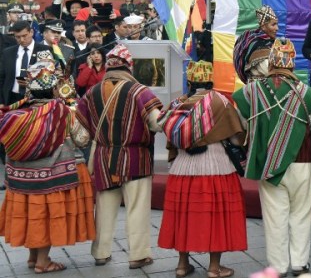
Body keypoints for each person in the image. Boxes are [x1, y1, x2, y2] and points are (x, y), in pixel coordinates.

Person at [233, 38, 311, 277]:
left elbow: (242, 126)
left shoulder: (249, 92)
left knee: (274, 217)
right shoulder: (308, 94)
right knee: (301, 214)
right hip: (300, 161)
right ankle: (300, 264)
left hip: (267, 164)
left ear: (270, 62)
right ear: (292, 64)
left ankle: (278, 266)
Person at [0, 59, 95, 273]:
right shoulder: (62, 112)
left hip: (21, 177)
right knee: (46, 216)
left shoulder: (16, 115)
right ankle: (43, 262)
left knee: (32, 215)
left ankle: (34, 257)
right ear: (54, 88)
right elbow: (82, 139)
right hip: (53, 175)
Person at [75, 44, 163, 269]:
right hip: (135, 157)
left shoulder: (91, 93)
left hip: (104, 158)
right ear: (128, 67)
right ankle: (138, 255)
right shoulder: (140, 91)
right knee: (137, 207)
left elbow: (81, 133)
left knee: (104, 207)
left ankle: (100, 252)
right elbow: (157, 122)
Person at [158, 60, 247, 278]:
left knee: (183, 215)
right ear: (210, 79)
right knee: (216, 216)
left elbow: (170, 136)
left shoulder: (179, 103)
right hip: (216, 166)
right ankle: (214, 268)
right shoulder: (220, 102)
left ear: (190, 80)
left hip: (182, 167)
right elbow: (236, 139)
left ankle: (181, 265)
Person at [0, 20, 52, 105]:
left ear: (31, 32)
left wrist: (31, 83)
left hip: (35, 99)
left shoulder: (44, 50)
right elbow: (1, 78)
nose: (22, 39)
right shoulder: (8, 52)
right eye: (18, 37)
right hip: (11, 99)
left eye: (24, 36)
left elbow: (48, 79)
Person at [233, 5, 278, 84]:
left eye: (276, 24)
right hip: (259, 90)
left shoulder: (268, 42)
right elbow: (269, 71)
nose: (277, 28)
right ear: (263, 27)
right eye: (273, 25)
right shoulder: (258, 45)